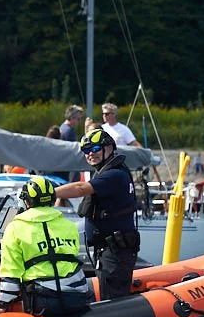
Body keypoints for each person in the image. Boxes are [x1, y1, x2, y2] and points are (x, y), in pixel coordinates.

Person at [0, 176, 90, 317]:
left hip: (44, 302)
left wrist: (2, 305)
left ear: (26, 201)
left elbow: (11, 272)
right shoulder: (69, 225)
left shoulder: (14, 228)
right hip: (77, 297)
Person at [55, 126, 140, 300]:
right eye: (86, 150)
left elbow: (80, 189)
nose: (90, 154)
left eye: (94, 149)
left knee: (114, 299)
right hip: (108, 249)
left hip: (116, 251)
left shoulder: (115, 175)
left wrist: (48, 192)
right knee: (107, 292)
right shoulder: (106, 172)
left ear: (109, 148)